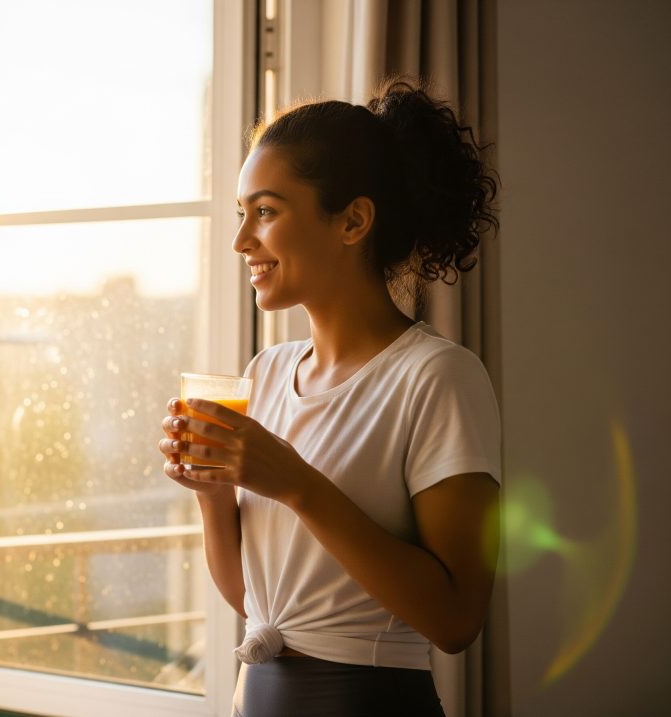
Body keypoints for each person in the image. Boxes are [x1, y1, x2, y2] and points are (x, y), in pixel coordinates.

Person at [158, 78, 501, 717]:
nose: (241, 241)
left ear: (352, 221)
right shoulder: (266, 373)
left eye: (265, 212)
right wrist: (212, 495)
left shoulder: (436, 377)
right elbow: (261, 605)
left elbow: (456, 621)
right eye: (241, 213)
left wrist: (294, 482)